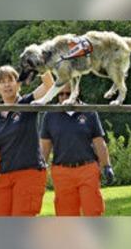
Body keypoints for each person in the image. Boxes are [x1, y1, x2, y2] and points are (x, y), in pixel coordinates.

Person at [0, 66, 54, 216]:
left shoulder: (27, 103)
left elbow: (49, 86)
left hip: (29, 172)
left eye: (10, 80)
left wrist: (40, 64)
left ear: (18, 84)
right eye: (2, 82)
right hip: (4, 175)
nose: (6, 85)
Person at [40, 84, 115, 216]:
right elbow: (44, 147)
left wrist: (107, 166)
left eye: (68, 94)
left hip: (87, 169)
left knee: (93, 211)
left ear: (76, 91)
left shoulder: (89, 112)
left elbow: (99, 142)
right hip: (62, 172)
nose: (64, 97)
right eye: (60, 94)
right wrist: (39, 170)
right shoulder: (50, 115)